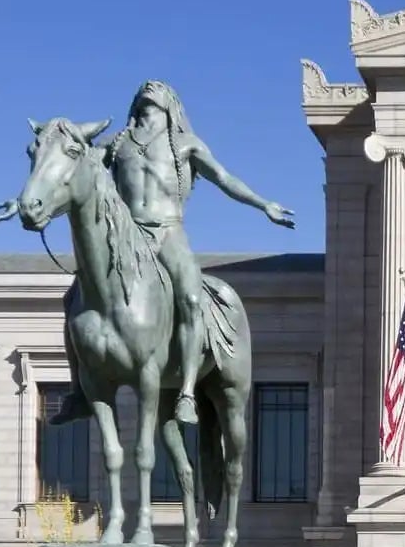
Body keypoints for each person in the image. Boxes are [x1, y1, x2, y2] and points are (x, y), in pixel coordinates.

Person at [53, 81, 293, 425]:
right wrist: (25, 203)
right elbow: (72, 176)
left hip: (168, 231)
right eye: (145, 89)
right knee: (72, 299)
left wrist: (263, 204)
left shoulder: (184, 144)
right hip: (128, 234)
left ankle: (187, 392)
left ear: (172, 104)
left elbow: (224, 178)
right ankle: (79, 393)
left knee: (191, 297)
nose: (151, 88)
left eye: (159, 89)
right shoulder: (119, 143)